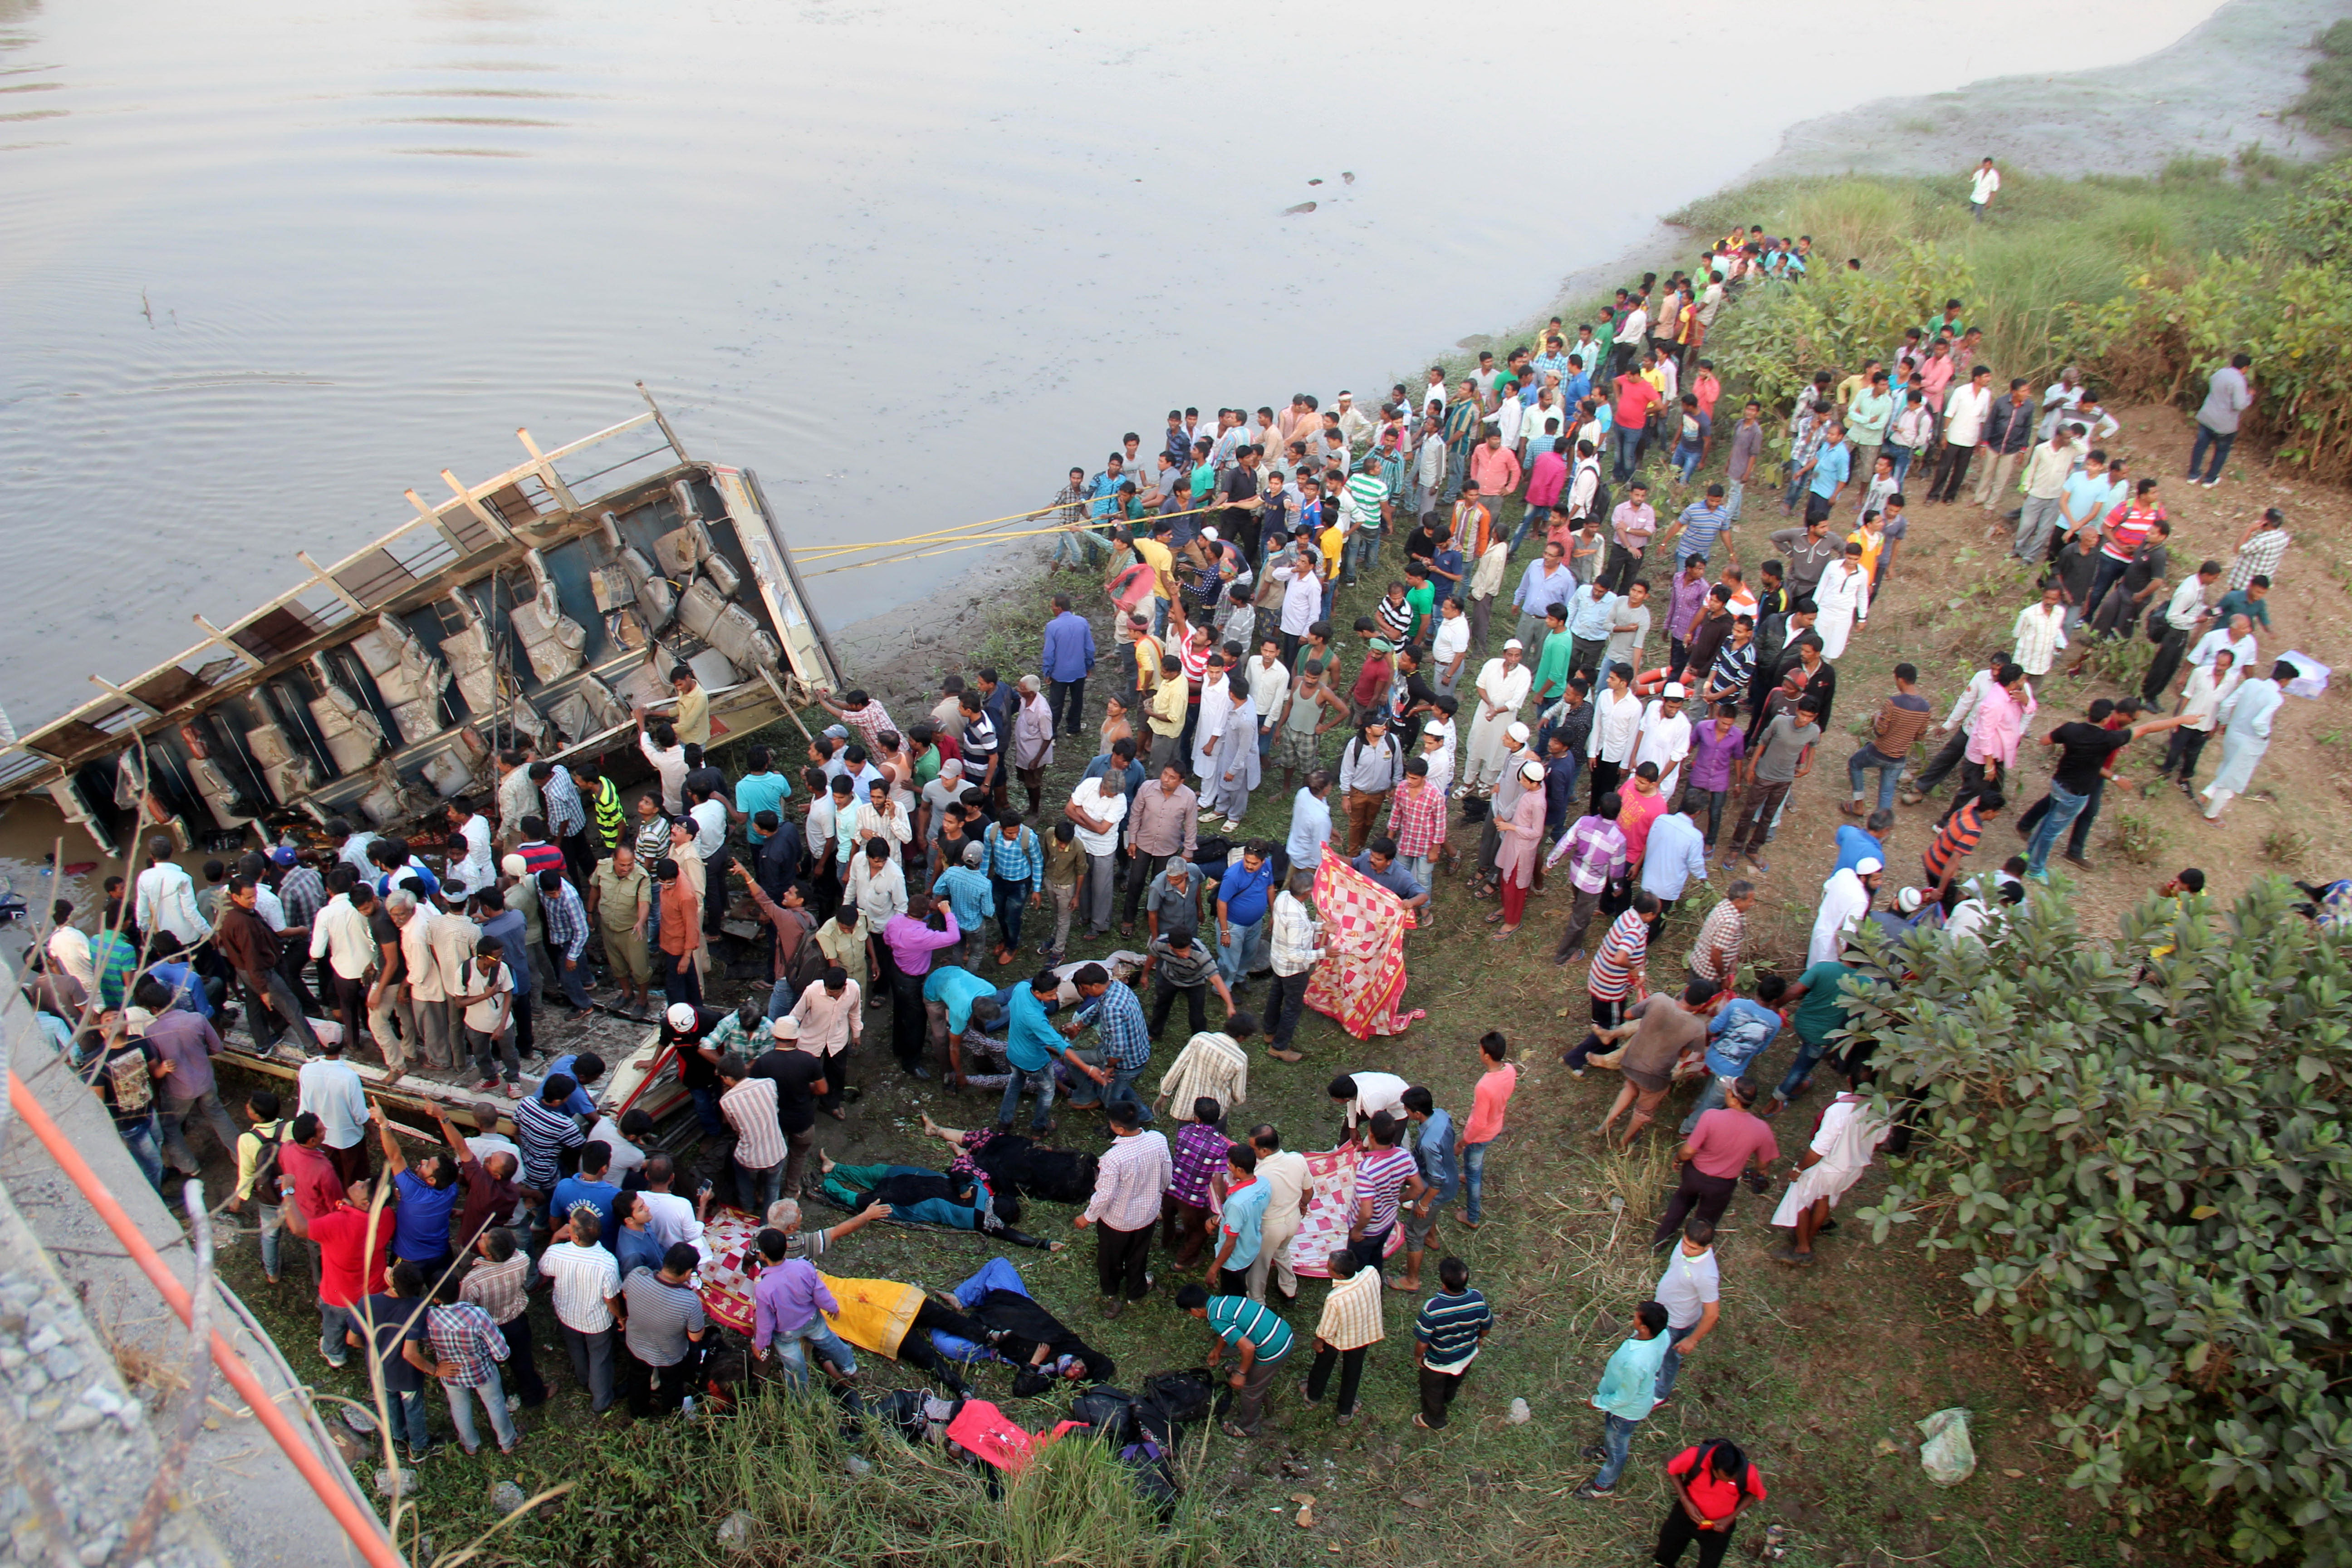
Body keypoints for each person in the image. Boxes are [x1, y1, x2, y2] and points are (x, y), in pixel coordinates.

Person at [1771, 1073, 1893, 1266]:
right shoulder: (1882, 1107)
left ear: (1849, 1080)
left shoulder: (1840, 1111)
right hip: (1853, 1169)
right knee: (1824, 1197)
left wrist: (1799, 1169)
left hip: (1829, 1167)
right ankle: (1809, 1237)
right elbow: (1879, 1141)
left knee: (1800, 1198)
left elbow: (1818, 1151)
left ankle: (1803, 1249)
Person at [1073, 1099, 1171, 1316]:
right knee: (1139, 1253)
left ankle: (1111, 1290)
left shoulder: (1113, 1158)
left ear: (1119, 1129)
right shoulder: (1158, 1140)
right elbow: (1166, 1174)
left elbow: (1105, 1195)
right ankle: (1135, 1291)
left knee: (1110, 1257)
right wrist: (1159, 1196)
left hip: (1117, 1221)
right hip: (1147, 1215)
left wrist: (1088, 1217)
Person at [1653, 1077, 1777, 1245]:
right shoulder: (1762, 1129)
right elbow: (1763, 1165)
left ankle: (1661, 1241)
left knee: (1682, 1201)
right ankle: (1694, 1248)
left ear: (1733, 1099)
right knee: (1707, 1219)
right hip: (1722, 1185)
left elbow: (1688, 1151)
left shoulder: (1711, 1116)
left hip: (1694, 1175)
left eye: (1728, 1091)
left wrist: (1678, 1158)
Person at [1574, 1299, 1670, 1498]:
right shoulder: (1663, 1335)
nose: (1633, 1318)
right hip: (1630, 1401)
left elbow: (1624, 1398)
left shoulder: (1636, 1363)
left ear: (1644, 1328)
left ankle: (1603, 1486)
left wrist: (1597, 1402)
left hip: (1625, 1411)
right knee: (1614, 1437)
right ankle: (1607, 1450)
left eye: (1636, 1317)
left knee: (1618, 1449)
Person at [425, 1272, 520, 1457]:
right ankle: (507, 1442)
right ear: (461, 1288)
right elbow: (501, 1353)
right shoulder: (477, 1315)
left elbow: (427, 1342)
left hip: (450, 1373)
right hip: (482, 1372)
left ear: (435, 1298)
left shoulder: (429, 1317)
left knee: (459, 1408)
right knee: (495, 1404)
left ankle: (470, 1446)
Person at [538, 1208, 623, 1413]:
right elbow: (611, 1298)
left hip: (566, 1314)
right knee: (600, 1358)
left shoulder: (558, 1252)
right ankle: (601, 1399)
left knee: (576, 1348)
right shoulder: (608, 1262)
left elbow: (544, 1268)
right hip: (596, 1322)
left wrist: (555, 1238)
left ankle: (583, 1377)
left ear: (575, 1237)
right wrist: (621, 1317)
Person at [619, 1244, 708, 1421]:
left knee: (638, 1378)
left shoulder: (637, 1275)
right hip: (670, 1356)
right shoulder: (690, 1302)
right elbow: (695, 1336)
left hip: (636, 1344)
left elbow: (626, 1295)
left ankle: (639, 1414)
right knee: (672, 1385)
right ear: (687, 1273)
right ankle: (670, 1419)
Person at [2200, 660, 2294, 823]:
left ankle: (2208, 793)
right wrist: (2265, 735)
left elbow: (2227, 704)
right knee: (2232, 780)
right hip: (2250, 742)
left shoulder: (2251, 683)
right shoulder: (2276, 698)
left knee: (2227, 767)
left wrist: (2225, 722)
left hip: (2233, 734)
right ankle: (2211, 815)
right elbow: (2259, 722)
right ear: (2285, 680)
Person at [1300, 1248, 1382, 1425]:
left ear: (1340, 1276)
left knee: (1323, 1364)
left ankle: (1313, 1397)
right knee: (1353, 1370)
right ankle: (1345, 1411)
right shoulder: (1371, 1272)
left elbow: (1327, 1330)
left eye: (1329, 1268)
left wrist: (1319, 1341)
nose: (1326, 1268)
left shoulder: (1335, 1298)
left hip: (1337, 1338)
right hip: (1363, 1333)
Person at [1411, 1255, 1493, 1430]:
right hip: (1467, 1355)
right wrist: (1479, 1339)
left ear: (1443, 1284)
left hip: (1439, 1362)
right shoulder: (1478, 1299)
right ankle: (1448, 1397)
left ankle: (1435, 1420)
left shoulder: (1433, 1308)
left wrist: (1418, 1357)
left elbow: (1423, 1342)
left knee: (1432, 1391)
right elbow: (1486, 1327)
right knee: (1455, 1380)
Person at [1656, 1440, 1768, 1567]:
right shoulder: (1695, 1456)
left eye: (1732, 1479)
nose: (1728, 1482)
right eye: (1724, 1478)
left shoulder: (1748, 1473)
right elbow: (1673, 1471)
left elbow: (1754, 1493)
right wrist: (1685, 1500)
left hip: (1718, 1528)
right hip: (1685, 1516)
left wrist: (1730, 1518)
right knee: (1665, 1555)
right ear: (1713, 1468)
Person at [1653, 1218, 1721, 1407]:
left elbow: (1712, 1314)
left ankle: (1660, 1394)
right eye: (1685, 1243)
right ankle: (1653, 1371)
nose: (1686, 1250)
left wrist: (1692, 1340)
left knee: (1669, 1359)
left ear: (1708, 1248)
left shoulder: (1707, 1276)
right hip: (1662, 1310)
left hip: (1677, 1324)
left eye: (1693, 1249)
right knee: (1658, 1349)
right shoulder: (1684, 1246)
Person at [2189, 352, 2254, 487]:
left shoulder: (2220, 373)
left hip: (2207, 418)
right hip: (2224, 424)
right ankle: (2210, 480)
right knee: (2222, 451)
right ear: (2246, 368)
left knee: (2200, 446)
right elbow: (2239, 405)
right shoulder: (2239, 381)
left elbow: (2212, 384)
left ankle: (2193, 475)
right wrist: (2249, 396)